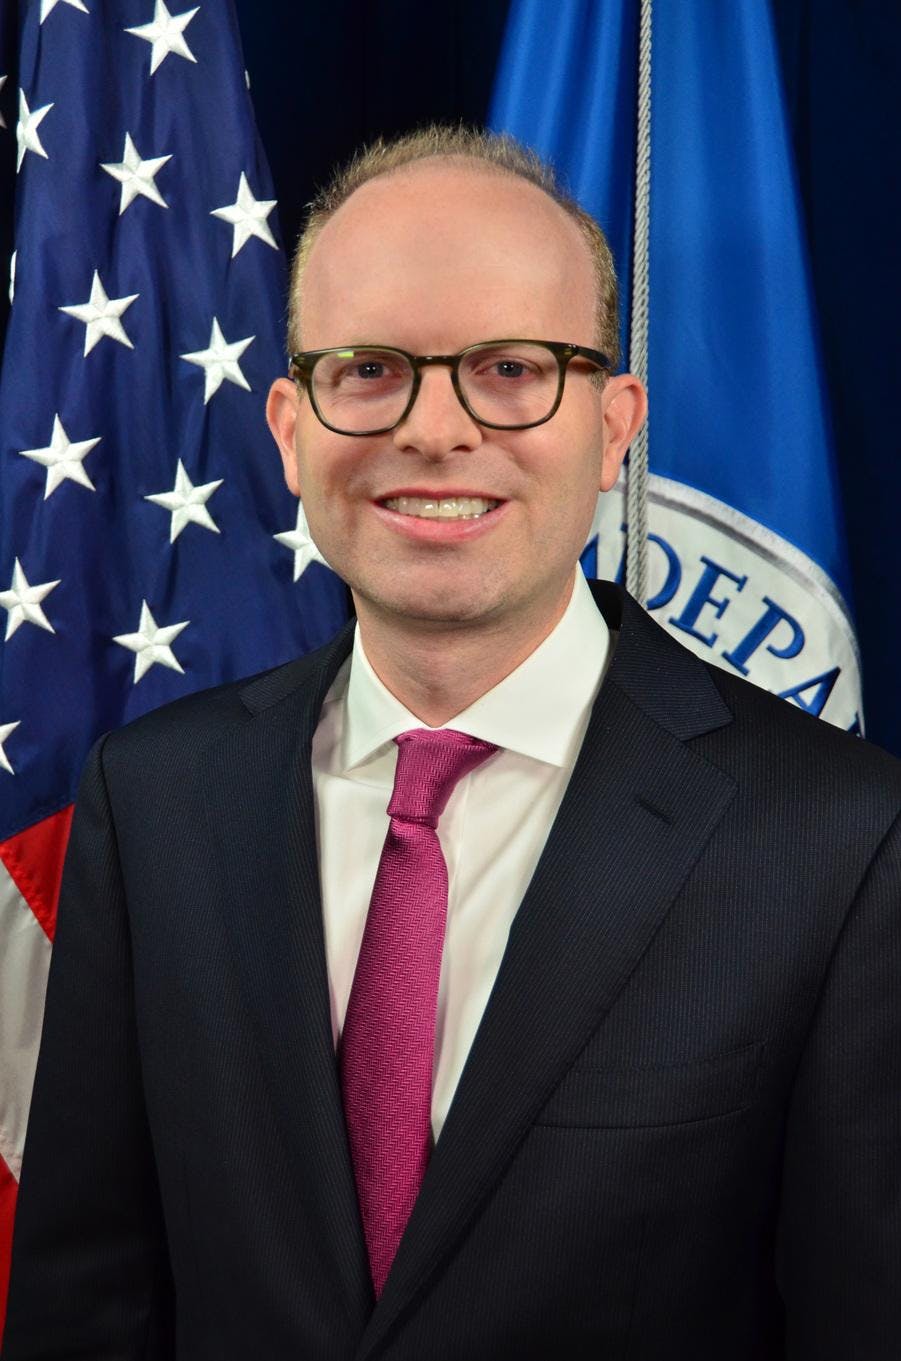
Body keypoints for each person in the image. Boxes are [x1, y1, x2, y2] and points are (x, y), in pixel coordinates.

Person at [4, 126, 900, 1361]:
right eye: (370, 369)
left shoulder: (840, 840)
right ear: (290, 426)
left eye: (511, 367)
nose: (434, 429)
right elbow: (86, 1304)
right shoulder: (153, 797)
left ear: (613, 426)